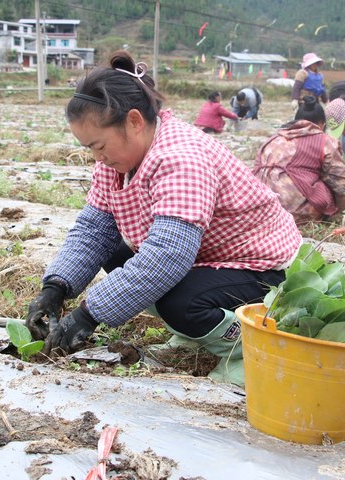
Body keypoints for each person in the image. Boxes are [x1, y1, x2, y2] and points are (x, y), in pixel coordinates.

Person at [25, 51, 302, 387]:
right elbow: (95, 229)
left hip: (258, 266)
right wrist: (56, 288)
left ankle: (245, 351)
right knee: (113, 250)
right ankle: (194, 335)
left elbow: (168, 257)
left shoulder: (180, 157)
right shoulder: (115, 162)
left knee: (179, 302)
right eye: (90, 150)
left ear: (134, 121)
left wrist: (88, 315)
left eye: (99, 146)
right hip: (208, 258)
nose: (97, 157)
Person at [253, 96, 345, 225]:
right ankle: (331, 217)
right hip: (297, 213)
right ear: (322, 124)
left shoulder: (273, 139)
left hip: (260, 209)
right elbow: (343, 186)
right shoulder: (324, 141)